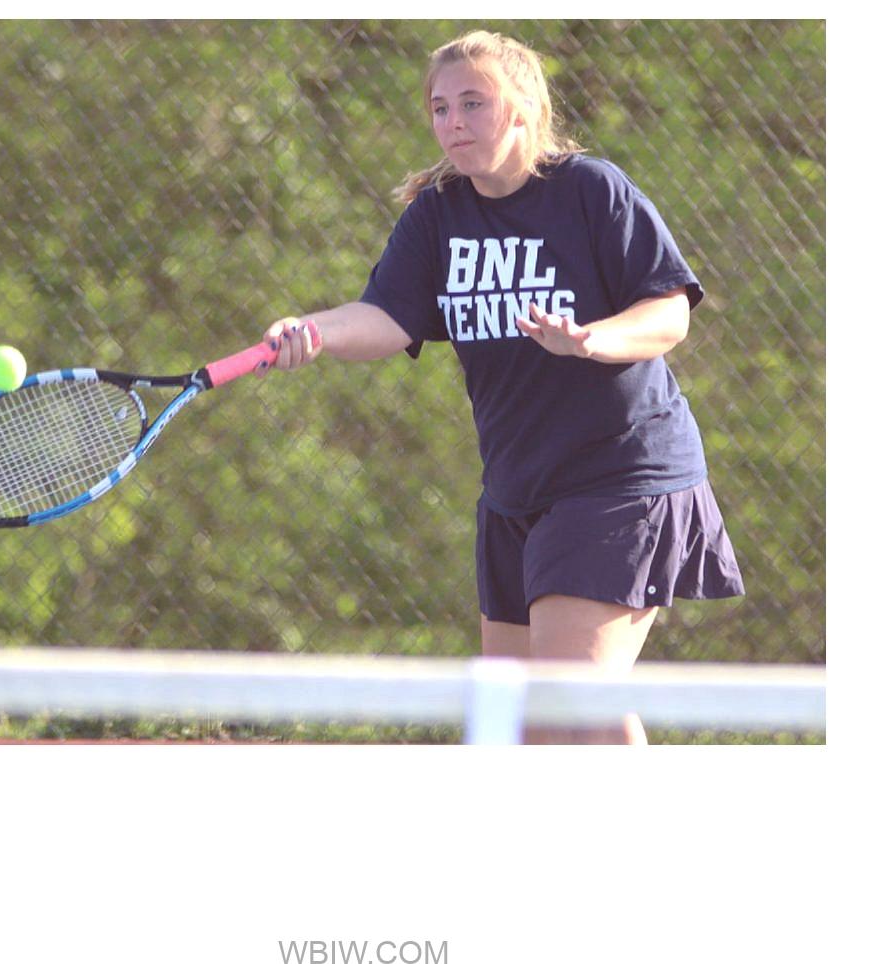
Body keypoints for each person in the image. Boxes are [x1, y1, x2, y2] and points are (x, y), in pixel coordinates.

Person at [261, 29, 744, 744]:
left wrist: (591, 339)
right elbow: (389, 317)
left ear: (522, 108)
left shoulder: (591, 190)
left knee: (572, 707)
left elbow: (669, 312)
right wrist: (316, 329)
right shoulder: (437, 214)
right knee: (521, 727)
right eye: (440, 108)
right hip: (517, 490)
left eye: (473, 103)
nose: (453, 122)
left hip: (620, 478)